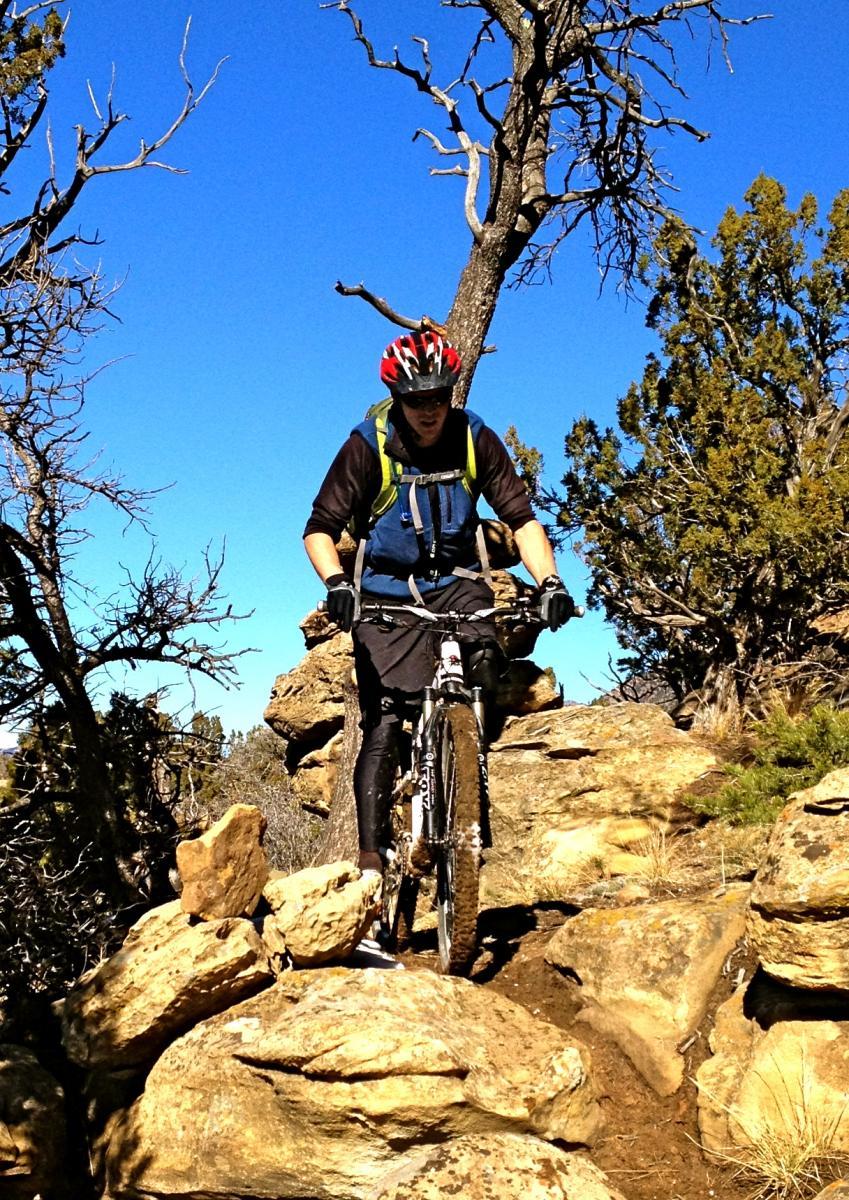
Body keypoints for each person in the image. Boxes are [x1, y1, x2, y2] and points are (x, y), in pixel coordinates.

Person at [304, 330, 574, 877]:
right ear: (397, 396)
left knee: (485, 663)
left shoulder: (474, 438)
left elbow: (522, 521)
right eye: (415, 400)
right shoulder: (367, 445)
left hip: (457, 580)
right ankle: (372, 862)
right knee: (381, 722)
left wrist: (550, 583)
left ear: (450, 392)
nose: (428, 411)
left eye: (438, 397)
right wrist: (337, 584)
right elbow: (319, 529)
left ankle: (460, 781)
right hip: (384, 590)